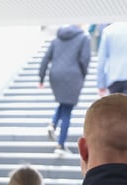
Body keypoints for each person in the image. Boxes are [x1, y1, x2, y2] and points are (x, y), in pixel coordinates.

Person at [39, 25, 92, 156]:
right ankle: (60, 144)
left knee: (63, 103)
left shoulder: (57, 38)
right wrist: (83, 74)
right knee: (67, 109)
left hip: (55, 75)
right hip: (73, 75)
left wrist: (41, 78)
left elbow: (46, 58)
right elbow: (85, 59)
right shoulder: (84, 37)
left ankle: (53, 123)